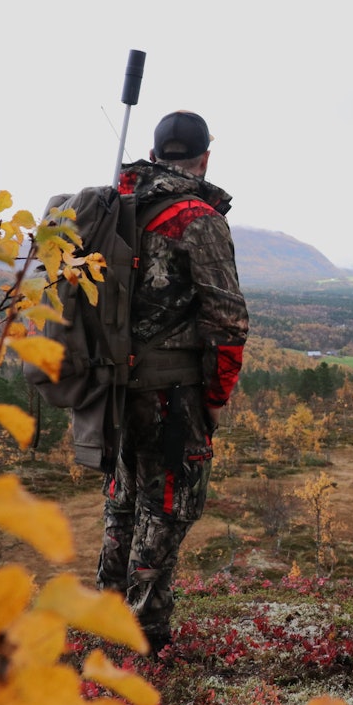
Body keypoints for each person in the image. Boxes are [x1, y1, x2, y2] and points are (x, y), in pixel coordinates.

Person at [97, 110, 249, 654]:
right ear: (205, 157)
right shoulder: (197, 218)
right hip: (172, 396)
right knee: (166, 507)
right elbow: (228, 322)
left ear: (155, 153)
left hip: (113, 391)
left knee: (123, 503)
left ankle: (111, 627)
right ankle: (141, 643)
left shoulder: (117, 205)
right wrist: (215, 399)